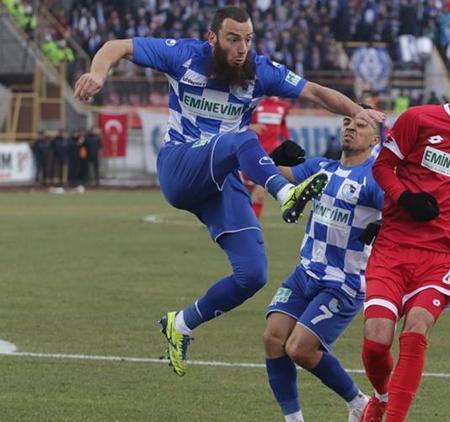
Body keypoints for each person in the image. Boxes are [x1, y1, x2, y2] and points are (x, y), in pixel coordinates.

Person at [73, 6, 384, 377]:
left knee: (253, 274)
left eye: (248, 40)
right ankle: (287, 195)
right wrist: (97, 71)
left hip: (220, 179)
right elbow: (117, 45)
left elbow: (314, 91)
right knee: (241, 139)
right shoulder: (184, 55)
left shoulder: (259, 71)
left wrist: (361, 113)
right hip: (180, 166)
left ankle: (181, 324)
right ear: (212, 39)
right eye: (233, 39)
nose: (242, 48)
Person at [359, 55, 450, 422]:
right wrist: (405, 198)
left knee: (416, 331)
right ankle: (380, 396)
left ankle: (393, 417)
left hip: (440, 257)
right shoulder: (418, 119)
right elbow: (382, 166)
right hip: (392, 245)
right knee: (376, 343)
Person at [262, 105, 384, 422]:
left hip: (342, 283)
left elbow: (402, 210)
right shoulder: (321, 167)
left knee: (299, 348)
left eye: (360, 124)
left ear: (375, 139)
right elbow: (273, 175)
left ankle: (358, 402)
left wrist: (384, 226)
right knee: (273, 337)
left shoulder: (374, 179)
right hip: (305, 273)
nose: (350, 127)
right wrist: (274, 159)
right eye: (346, 122)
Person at [240, 95, 292, 218]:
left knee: (260, 194)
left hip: (270, 157)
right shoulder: (254, 102)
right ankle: (229, 220)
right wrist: (250, 127)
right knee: (242, 194)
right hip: (251, 153)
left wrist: (289, 142)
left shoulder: (283, 105)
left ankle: (251, 226)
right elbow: (239, 122)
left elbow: (283, 126)